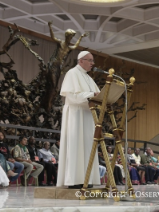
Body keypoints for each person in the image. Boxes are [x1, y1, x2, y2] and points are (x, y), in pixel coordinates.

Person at [57, 51, 101, 189]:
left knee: (87, 146)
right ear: (81, 61)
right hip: (76, 115)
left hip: (88, 115)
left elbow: (97, 94)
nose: (92, 63)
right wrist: (92, 94)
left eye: (92, 61)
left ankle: (86, 179)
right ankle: (74, 180)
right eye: (90, 60)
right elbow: (72, 96)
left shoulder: (88, 77)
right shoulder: (72, 73)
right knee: (75, 145)